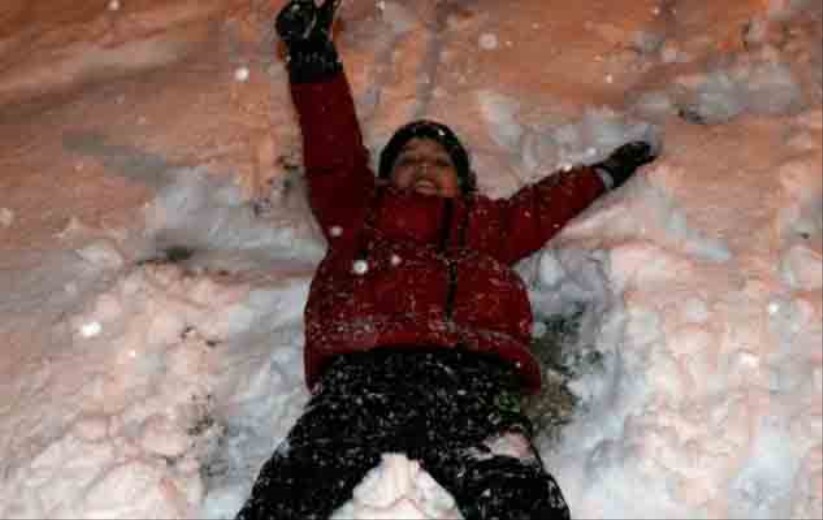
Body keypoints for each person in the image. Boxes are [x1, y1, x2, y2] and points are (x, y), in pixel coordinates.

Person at [236, 1, 657, 519]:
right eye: (408, 161)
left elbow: (545, 203)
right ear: (386, 178)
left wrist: (606, 173)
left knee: (519, 494)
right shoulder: (359, 209)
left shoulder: (489, 227)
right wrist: (313, 58)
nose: (424, 169)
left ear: (464, 182)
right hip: (366, 372)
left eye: (439, 162)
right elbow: (333, 147)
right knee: (293, 487)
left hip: (472, 380)